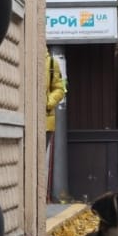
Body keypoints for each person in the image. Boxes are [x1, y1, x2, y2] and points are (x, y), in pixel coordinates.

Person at [45, 50, 66, 202]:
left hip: (45, 121)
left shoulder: (51, 63)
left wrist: (47, 103)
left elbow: (60, 88)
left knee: (39, 161)